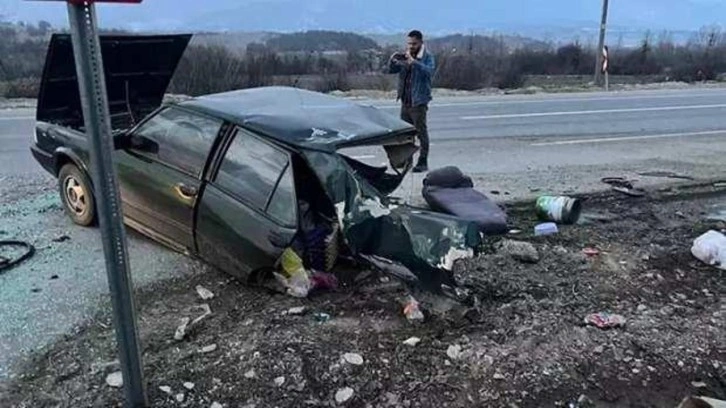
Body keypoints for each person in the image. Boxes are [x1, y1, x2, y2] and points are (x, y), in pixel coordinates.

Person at [388, 30, 435, 173]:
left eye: (414, 44)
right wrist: (393, 61)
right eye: (409, 43)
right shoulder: (406, 55)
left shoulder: (427, 57)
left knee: (421, 133)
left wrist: (414, 63)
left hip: (418, 101)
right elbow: (392, 71)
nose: (411, 46)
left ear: (420, 42)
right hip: (406, 100)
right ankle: (407, 161)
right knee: (406, 134)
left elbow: (429, 72)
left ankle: (423, 161)